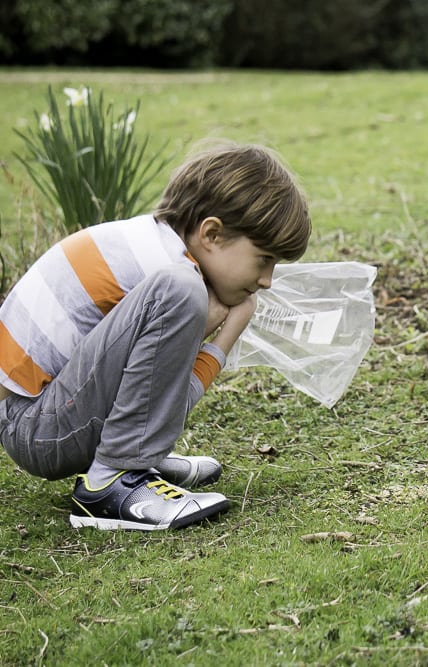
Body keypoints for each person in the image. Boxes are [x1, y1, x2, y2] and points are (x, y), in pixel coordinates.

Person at [0, 141, 311, 531]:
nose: (266, 281)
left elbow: (153, 403)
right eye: (264, 260)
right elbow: (171, 404)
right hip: (36, 428)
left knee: (182, 291)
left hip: (46, 418)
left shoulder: (156, 248)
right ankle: (111, 480)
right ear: (211, 235)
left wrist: (225, 330)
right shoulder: (172, 277)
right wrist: (216, 333)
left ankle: (130, 456)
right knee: (181, 290)